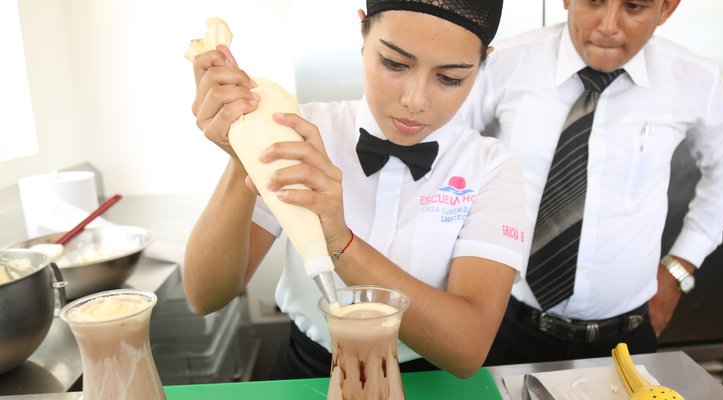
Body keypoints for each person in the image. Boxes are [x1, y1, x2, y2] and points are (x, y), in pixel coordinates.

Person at [185, 0, 533, 380]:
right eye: (395, 64)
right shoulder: (298, 128)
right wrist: (243, 151)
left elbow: (468, 349)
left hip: (430, 381)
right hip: (309, 374)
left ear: (484, 62)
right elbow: (205, 296)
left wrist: (340, 241)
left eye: (449, 78)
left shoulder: (490, 166)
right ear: (363, 32)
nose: (415, 101)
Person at [456, 0, 723, 364]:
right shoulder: (505, 63)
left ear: (667, 8)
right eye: (594, 1)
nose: (609, 25)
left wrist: (679, 268)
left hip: (626, 338)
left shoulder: (694, 79)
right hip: (505, 322)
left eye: (634, 7)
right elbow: (448, 157)